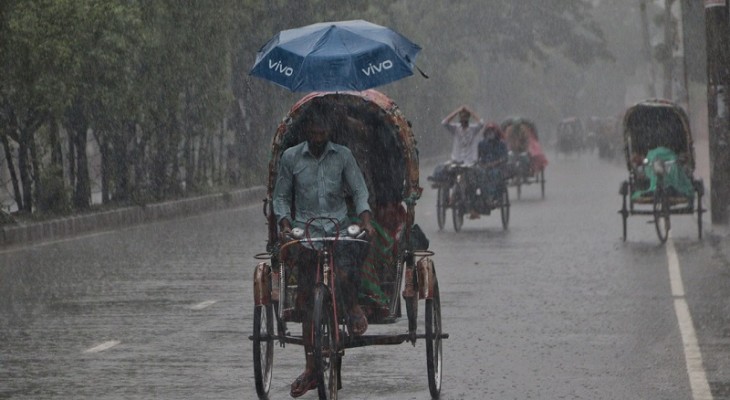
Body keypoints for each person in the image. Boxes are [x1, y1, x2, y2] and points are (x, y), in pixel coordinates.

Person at [272, 107, 375, 398]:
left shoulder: (343, 156)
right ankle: (310, 367)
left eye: (323, 132)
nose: (318, 136)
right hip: (305, 231)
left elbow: (359, 190)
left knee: (348, 264)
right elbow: (280, 197)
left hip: (338, 227)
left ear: (329, 132)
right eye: (313, 132)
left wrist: (365, 219)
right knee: (306, 301)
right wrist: (284, 222)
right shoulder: (291, 157)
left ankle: (351, 305)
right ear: (306, 132)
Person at [441, 106, 485, 218]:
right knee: (453, 178)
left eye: (465, 120)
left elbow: (481, 123)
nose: (463, 122)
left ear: (468, 121)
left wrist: (470, 111)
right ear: (460, 121)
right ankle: (452, 197)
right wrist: (458, 111)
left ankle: (470, 206)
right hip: (457, 161)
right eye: (462, 120)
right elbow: (444, 122)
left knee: (471, 184)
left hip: (470, 163)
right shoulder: (455, 129)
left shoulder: (473, 129)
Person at [477, 123, 509, 206]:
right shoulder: (481, 144)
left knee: (494, 174)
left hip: (498, 167)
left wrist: (496, 163)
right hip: (484, 167)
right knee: (479, 176)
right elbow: (477, 157)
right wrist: (481, 164)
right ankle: (483, 196)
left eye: (492, 131)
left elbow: (505, 157)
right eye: (488, 131)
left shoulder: (501, 144)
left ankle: (493, 196)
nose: (490, 133)